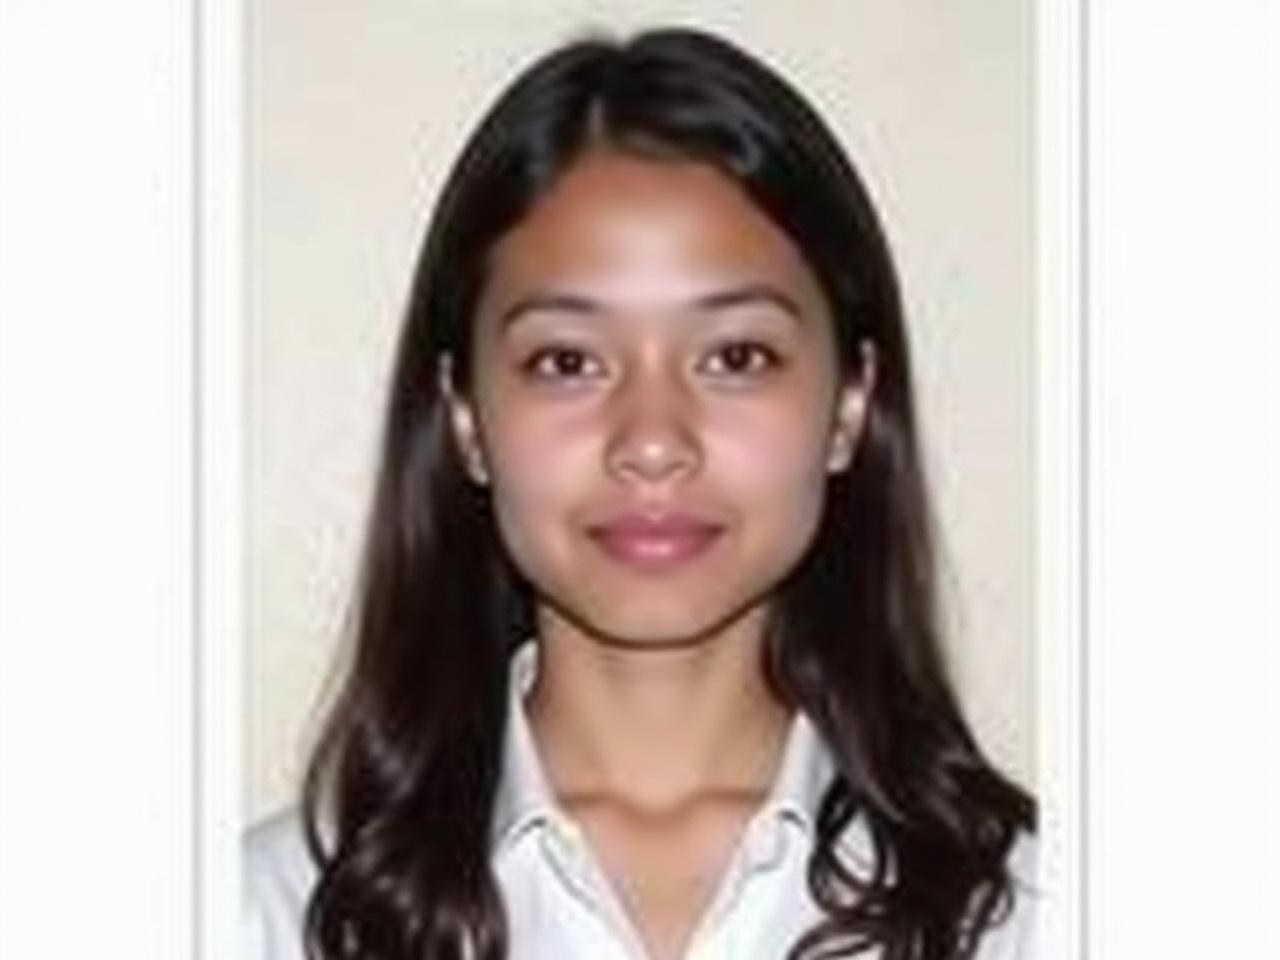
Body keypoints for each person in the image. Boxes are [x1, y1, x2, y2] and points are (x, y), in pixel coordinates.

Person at [244, 26, 1039, 960]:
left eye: (738, 357)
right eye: (567, 361)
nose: (653, 442)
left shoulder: (1030, 909)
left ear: (850, 404)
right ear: (464, 413)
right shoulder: (273, 912)